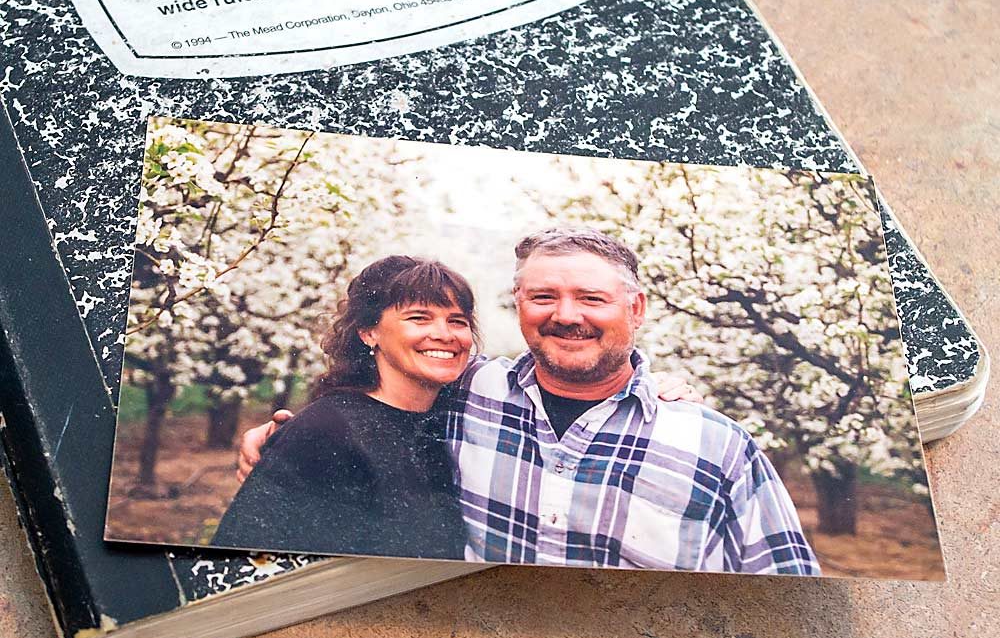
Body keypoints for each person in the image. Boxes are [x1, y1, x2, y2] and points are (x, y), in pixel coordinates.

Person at [241, 228, 819, 574]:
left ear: (634, 311)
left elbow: (790, 592)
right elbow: (376, 414)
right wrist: (286, 438)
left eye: (591, 298)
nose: (566, 315)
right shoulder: (467, 393)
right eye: (544, 296)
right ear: (518, 304)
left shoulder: (714, 444)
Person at [212, 256, 474, 559]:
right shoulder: (326, 431)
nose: (445, 334)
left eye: (457, 321)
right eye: (419, 318)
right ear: (368, 332)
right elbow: (245, 557)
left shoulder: (455, 420)